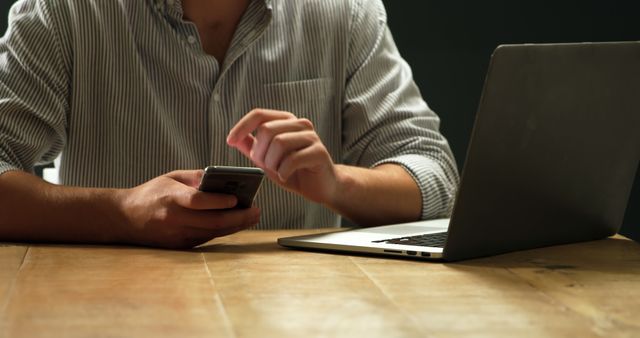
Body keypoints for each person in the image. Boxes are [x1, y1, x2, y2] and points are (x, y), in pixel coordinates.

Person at [0, 0, 459, 249]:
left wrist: (338, 184)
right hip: (112, 311)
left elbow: (437, 177)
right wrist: (122, 213)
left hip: (300, 316)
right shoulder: (62, 12)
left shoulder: (345, 12)